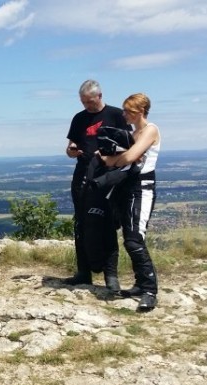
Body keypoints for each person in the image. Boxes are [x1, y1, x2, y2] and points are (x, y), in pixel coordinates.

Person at [65, 80, 130, 291]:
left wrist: (107, 156)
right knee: (81, 223)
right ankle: (83, 272)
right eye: (83, 102)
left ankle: (111, 275)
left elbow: (128, 145)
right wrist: (72, 150)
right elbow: (69, 148)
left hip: (108, 175)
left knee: (108, 223)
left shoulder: (116, 115)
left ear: (100, 96)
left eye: (90, 102)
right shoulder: (79, 118)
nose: (87, 106)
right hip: (83, 173)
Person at [100, 93, 160, 311]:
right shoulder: (135, 133)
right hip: (128, 186)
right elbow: (124, 158)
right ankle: (140, 284)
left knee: (135, 239)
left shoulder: (150, 130)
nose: (123, 114)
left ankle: (150, 290)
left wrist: (109, 160)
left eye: (127, 111)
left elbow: (130, 157)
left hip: (142, 188)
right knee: (129, 238)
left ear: (139, 112)